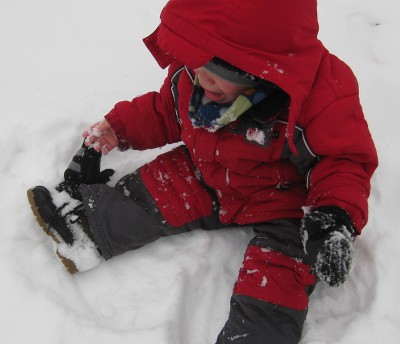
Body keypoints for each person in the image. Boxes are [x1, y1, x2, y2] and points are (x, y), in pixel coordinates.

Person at [27, 0, 378, 343]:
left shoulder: (320, 95)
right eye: (197, 65)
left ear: (262, 69)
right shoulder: (194, 77)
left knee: (279, 278)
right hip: (208, 172)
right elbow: (166, 110)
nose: (202, 79)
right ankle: (88, 229)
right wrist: (119, 128)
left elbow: (344, 160)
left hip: (285, 203)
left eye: (220, 73)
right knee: (155, 192)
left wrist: (333, 218)